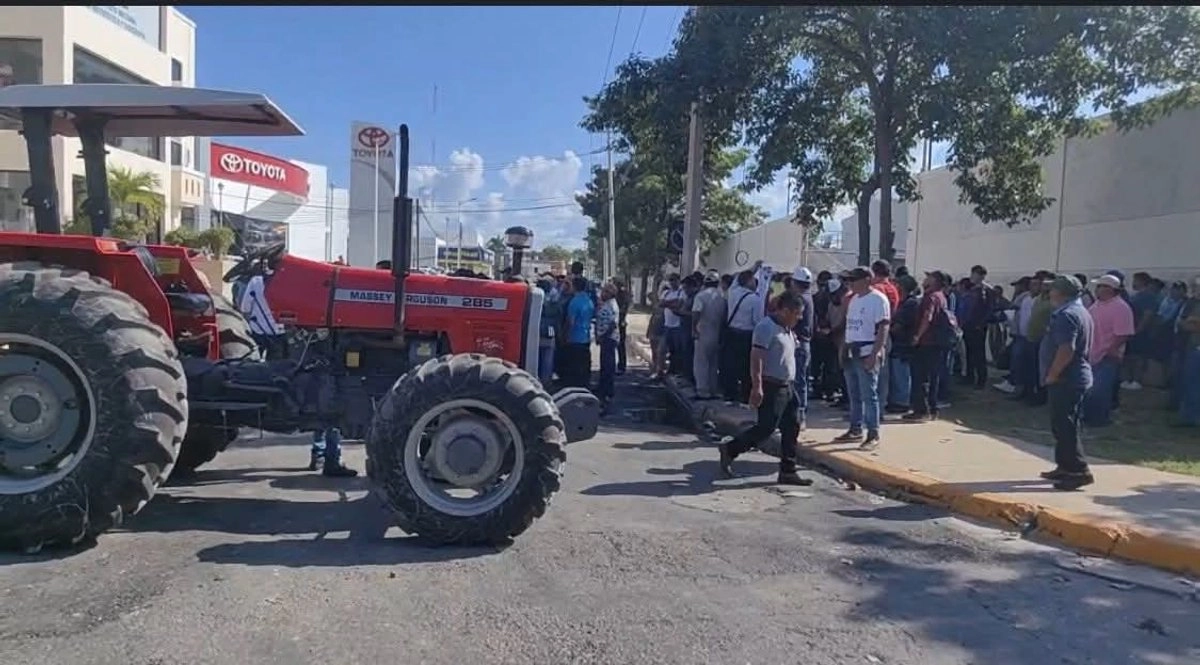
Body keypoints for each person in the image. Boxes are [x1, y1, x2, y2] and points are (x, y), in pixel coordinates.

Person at [716, 290, 813, 487]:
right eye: (797, 313)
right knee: (766, 428)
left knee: (792, 426)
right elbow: (756, 357)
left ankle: (788, 470)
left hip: (788, 386)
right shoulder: (765, 327)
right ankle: (731, 449)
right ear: (785, 310)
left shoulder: (787, 329)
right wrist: (757, 386)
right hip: (771, 386)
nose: (800, 318)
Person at [1038, 275, 1095, 491]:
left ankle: (1079, 471)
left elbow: (1066, 349)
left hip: (1066, 379)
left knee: (1066, 426)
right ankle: (1065, 465)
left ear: (1061, 293)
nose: (1049, 293)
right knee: (1062, 424)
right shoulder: (1079, 311)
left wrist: (1053, 373)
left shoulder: (1067, 315)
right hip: (1073, 378)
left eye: (1052, 290)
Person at [833, 267, 891, 450]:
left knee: (869, 395)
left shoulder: (878, 299)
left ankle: (873, 433)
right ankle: (855, 428)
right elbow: (849, 327)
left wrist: (875, 354)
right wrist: (843, 349)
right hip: (852, 350)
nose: (850, 283)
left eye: (854, 279)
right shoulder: (854, 300)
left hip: (867, 350)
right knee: (854, 394)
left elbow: (883, 328)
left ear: (867, 279)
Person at [1082, 274, 1134, 427]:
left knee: (1100, 390)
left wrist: (1111, 350)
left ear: (1110, 289)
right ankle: (1088, 416)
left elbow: (1124, 334)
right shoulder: (1096, 305)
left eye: (1100, 286)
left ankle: (1099, 419)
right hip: (1091, 353)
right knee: (1089, 388)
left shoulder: (1121, 308)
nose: (1097, 290)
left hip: (1107, 356)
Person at [905, 270, 955, 422]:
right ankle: (932, 409)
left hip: (927, 342)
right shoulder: (941, 296)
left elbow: (928, 316)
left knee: (921, 377)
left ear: (935, 281)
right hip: (936, 343)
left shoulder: (931, 297)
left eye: (929, 277)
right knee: (932, 377)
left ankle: (922, 410)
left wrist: (917, 336)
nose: (925, 279)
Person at [722, 269, 764, 402]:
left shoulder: (732, 292)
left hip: (731, 332)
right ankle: (745, 395)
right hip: (747, 335)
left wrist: (754, 267)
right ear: (749, 281)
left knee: (730, 365)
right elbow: (757, 321)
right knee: (746, 367)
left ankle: (730, 393)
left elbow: (736, 278)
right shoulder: (754, 299)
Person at [886, 274, 921, 414]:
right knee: (897, 372)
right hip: (899, 343)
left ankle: (902, 402)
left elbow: (900, 324)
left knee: (901, 373)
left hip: (904, 343)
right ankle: (897, 399)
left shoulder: (910, 304)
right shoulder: (904, 302)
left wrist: (888, 331)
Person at [787, 267, 815, 430]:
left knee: (797, 381)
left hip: (799, 343)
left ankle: (799, 416)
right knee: (799, 380)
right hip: (804, 342)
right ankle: (796, 415)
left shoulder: (799, 300)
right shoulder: (808, 297)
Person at [691, 270, 726, 400]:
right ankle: (713, 389)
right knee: (713, 363)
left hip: (703, 332)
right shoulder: (721, 297)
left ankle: (702, 391)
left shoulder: (701, 296)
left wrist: (693, 329)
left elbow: (696, 313)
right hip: (716, 333)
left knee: (701, 362)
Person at [240, 271, 286, 360]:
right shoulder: (288, 283)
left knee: (252, 365)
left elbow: (245, 308)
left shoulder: (255, 282)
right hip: (278, 333)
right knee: (275, 367)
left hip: (257, 329)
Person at [562, 276, 595, 388]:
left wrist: (565, 336)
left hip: (575, 338)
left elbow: (570, 322)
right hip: (586, 337)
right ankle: (585, 386)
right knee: (584, 365)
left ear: (574, 287)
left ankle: (574, 387)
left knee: (574, 366)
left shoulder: (574, 302)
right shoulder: (589, 301)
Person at [594, 282, 620, 414]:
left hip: (609, 339)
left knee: (608, 365)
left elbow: (612, 324)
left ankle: (607, 391)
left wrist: (603, 336)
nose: (602, 294)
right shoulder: (606, 304)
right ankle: (603, 388)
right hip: (605, 338)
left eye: (605, 292)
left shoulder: (612, 305)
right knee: (605, 364)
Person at [536, 276, 561, 386]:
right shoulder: (554, 303)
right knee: (548, 359)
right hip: (550, 331)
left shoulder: (535, 300)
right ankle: (546, 382)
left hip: (536, 330)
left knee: (536, 358)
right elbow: (558, 317)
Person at [615, 281, 630, 374]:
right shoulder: (621, 296)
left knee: (620, 345)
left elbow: (623, 310)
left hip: (620, 323)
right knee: (620, 345)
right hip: (620, 322)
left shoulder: (621, 297)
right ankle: (621, 365)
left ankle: (622, 365)